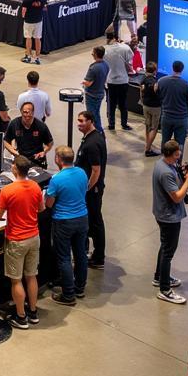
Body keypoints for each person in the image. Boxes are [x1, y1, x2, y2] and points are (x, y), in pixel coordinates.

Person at [0, 154, 45, 329]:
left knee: (16, 280)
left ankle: (21, 317)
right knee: (31, 276)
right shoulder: (36, 187)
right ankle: (32, 312)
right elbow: (41, 208)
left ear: (14, 168)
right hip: (34, 237)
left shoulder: (7, 191)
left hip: (16, 240)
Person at [152, 139, 188, 305]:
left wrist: (183, 174)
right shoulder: (166, 173)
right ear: (172, 154)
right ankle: (165, 290)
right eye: (178, 153)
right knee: (168, 252)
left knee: (165, 246)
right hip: (169, 217)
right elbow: (177, 197)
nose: (180, 155)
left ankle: (159, 276)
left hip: (163, 212)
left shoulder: (162, 164)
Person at [45, 145, 88, 306]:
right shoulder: (82, 173)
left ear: (58, 159)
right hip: (82, 218)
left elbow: (49, 204)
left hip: (63, 221)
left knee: (64, 257)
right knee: (81, 254)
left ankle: (68, 294)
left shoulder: (57, 179)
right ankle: (80, 287)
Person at [75, 110, 107, 269]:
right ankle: (87, 251)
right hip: (90, 190)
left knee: (95, 222)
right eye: (78, 120)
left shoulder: (93, 143)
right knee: (91, 222)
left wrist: (86, 189)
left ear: (90, 121)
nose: (79, 124)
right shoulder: (91, 138)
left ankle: (99, 257)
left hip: (92, 192)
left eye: (82, 121)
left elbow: (96, 170)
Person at [156, 59, 188, 151]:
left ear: (172, 68)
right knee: (180, 143)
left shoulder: (161, 81)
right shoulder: (187, 85)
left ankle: (165, 160)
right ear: (182, 69)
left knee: (165, 141)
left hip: (166, 117)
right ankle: (177, 162)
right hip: (181, 119)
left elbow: (156, 91)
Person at [4, 102, 54, 167]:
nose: (27, 115)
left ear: (33, 112)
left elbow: (50, 143)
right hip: (21, 160)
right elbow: (5, 141)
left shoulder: (41, 126)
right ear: (21, 112)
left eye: (29, 112)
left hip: (37, 161)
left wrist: (44, 152)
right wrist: (13, 152)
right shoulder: (14, 124)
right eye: (25, 112)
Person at [103, 29, 133, 131]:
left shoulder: (104, 50)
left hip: (111, 80)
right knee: (123, 104)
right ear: (116, 38)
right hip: (123, 80)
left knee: (111, 104)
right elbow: (130, 60)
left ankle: (111, 124)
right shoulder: (125, 48)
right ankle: (124, 124)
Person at [82, 45, 108, 132]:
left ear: (96, 54)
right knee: (96, 114)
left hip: (91, 95)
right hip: (100, 93)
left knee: (91, 117)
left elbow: (89, 83)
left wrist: (84, 83)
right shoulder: (106, 65)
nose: (92, 54)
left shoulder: (93, 68)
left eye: (93, 53)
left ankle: (98, 133)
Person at [20, 0, 46, 64]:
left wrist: (23, 17)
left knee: (28, 38)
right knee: (38, 38)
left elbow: (23, 10)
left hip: (29, 21)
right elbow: (45, 8)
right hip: (38, 20)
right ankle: (37, 58)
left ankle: (28, 56)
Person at [140, 60, 162, 157]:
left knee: (147, 125)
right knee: (154, 128)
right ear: (155, 71)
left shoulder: (143, 79)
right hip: (155, 107)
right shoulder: (155, 82)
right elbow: (157, 92)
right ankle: (148, 149)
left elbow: (140, 92)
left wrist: (143, 101)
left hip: (145, 105)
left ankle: (148, 143)